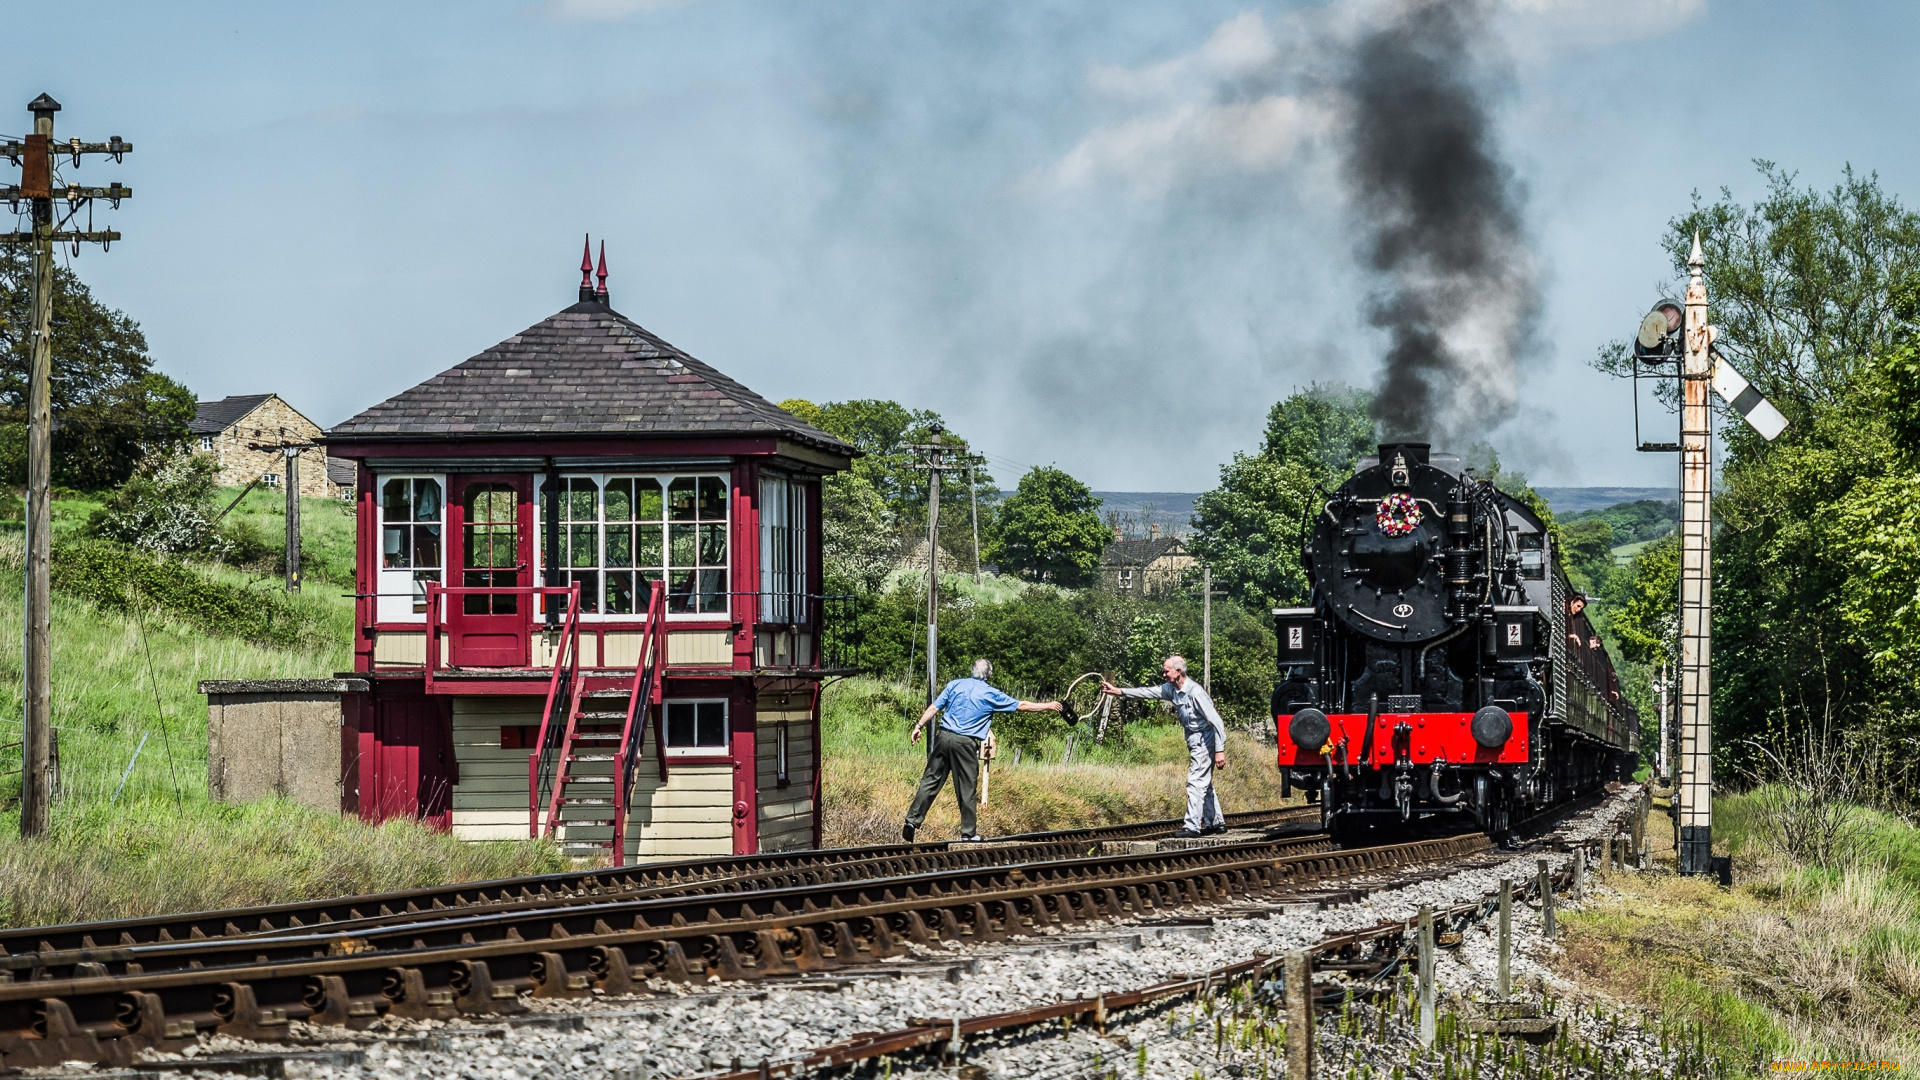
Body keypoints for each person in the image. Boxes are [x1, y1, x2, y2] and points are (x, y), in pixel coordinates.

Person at [903, 658, 1062, 843]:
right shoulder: (990, 694)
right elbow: (1022, 705)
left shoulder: (954, 685)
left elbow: (934, 707)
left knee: (930, 781)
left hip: (943, 737)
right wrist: (1049, 705)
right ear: (989, 674)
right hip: (965, 743)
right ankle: (968, 834)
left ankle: (912, 821)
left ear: (972, 670)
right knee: (967, 788)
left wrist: (918, 726)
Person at [1102, 655, 1227, 838]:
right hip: (1194, 741)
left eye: (1166, 670)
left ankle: (1192, 826)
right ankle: (1216, 823)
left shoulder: (1195, 692)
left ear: (1178, 672)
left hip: (1204, 740)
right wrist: (1120, 692)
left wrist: (1219, 750)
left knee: (1195, 782)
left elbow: (1216, 722)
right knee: (1204, 783)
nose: (1163, 674)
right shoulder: (1172, 689)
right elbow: (1148, 692)